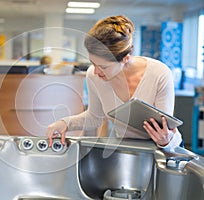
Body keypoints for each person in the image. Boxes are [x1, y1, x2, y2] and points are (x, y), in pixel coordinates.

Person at [46, 15, 182, 149]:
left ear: (125, 59)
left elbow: (168, 130)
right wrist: (65, 123)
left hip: (160, 150)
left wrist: (166, 140)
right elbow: (94, 117)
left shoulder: (159, 73)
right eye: (93, 63)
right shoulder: (93, 76)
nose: (96, 72)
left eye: (104, 67)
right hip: (124, 149)